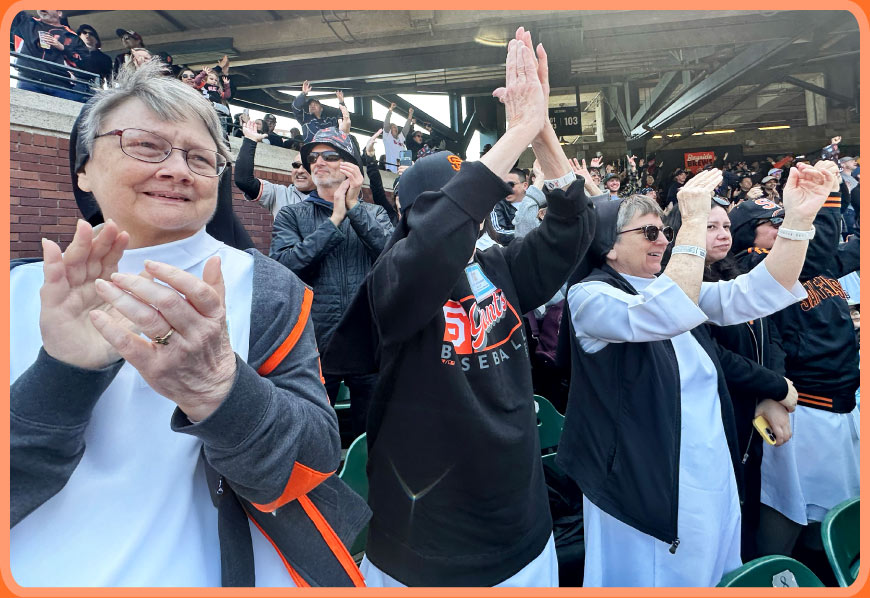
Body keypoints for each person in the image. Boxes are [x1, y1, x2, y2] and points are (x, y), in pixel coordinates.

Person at [10, 61, 369, 588]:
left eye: (200, 157)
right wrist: (64, 373)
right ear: (83, 167)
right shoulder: (18, 289)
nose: (178, 169)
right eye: (146, 146)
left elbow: (312, 463)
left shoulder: (266, 288)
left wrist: (219, 389)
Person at [323, 26, 596, 587]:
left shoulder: (497, 268)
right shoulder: (394, 279)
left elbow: (574, 227)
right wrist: (515, 131)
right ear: (421, 212)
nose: (475, 219)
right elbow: (434, 241)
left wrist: (542, 134)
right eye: (462, 206)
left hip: (523, 534)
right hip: (431, 550)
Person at [559, 160, 837, 587]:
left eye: (663, 231)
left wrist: (799, 220)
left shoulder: (665, 287)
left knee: (718, 577)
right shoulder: (590, 297)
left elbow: (758, 291)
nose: (662, 240)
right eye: (650, 232)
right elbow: (666, 313)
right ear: (608, 247)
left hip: (710, 472)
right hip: (648, 484)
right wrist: (690, 223)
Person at [728, 176, 860, 561]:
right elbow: (816, 254)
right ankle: (772, 575)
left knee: (838, 508)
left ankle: (825, 565)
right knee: (785, 507)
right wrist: (830, 199)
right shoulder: (755, 264)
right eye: (772, 223)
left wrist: (839, 189)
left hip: (842, 400)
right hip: (800, 406)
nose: (782, 227)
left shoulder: (811, 261)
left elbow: (843, 254)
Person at [663, 197, 799, 562]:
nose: (722, 235)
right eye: (709, 227)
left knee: (750, 498)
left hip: (752, 409)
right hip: (720, 414)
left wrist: (772, 392)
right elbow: (715, 356)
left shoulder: (734, 272)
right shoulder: (675, 287)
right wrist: (774, 387)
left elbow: (770, 335)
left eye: (724, 226)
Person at [270, 127, 393, 437]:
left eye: (330, 155)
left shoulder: (375, 214)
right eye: (313, 157)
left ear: (350, 166)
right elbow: (285, 266)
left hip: (369, 342)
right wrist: (335, 220)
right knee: (313, 433)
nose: (318, 162)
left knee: (373, 437)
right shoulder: (291, 215)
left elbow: (392, 259)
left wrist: (354, 211)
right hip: (314, 344)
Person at [235, 119, 315, 219]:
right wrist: (250, 140)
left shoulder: (331, 196)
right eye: (296, 165)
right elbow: (244, 180)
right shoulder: (279, 194)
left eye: (306, 166)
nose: (300, 170)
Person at [11, 10, 90, 101]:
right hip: (28, 80)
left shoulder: (71, 36)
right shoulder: (27, 23)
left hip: (60, 85)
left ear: (59, 13)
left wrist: (62, 47)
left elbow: (85, 62)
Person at [488, 167, 529, 244]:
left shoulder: (537, 202)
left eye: (511, 184)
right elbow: (498, 233)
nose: (506, 189)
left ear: (525, 185)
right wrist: (531, 234)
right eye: (503, 185)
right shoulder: (496, 205)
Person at [382, 103, 413, 172]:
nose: (396, 128)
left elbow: (406, 127)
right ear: (390, 129)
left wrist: (410, 114)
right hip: (391, 168)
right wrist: (391, 109)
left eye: (396, 127)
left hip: (402, 169)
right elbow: (386, 123)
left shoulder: (400, 138)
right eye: (393, 127)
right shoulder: (387, 137)